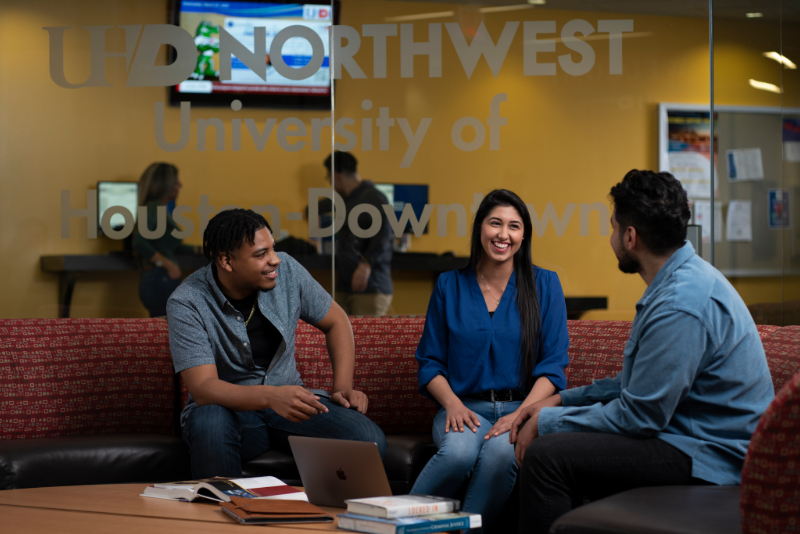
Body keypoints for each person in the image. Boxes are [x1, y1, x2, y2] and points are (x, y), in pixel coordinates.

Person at [509, 170, 775, 534]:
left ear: (630, 237)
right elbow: (635, 385)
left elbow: (640, 415)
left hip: (712, 454)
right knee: (561, 444)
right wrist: (559, 402)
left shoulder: (682, 304)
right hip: (686, 435)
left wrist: (546, 422)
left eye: (613, 227)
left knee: (546, 457)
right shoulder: (679, 282)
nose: (611, 237)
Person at [167, 208, 387, 479]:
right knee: (208, 420)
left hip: (290, 405)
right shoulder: (188, 301)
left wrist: (342, 387)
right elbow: (203, 389)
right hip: (232, 414)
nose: (275, 261)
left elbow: (337, 321)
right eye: (261, 254)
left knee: (367, 438)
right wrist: (273, 396)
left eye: (273, 249)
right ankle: (218, 516)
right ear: (226, 260)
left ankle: (326, 517)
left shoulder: (288, 271)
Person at [410, 189, 569, 530]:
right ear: (480, 228)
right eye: (495, 223)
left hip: (521, 410)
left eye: (513, 226)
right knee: (457, 454)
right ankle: (394, 525)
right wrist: (452, 404)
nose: (503, 234)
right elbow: (430, 362)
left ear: (523, 235)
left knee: (500, 455)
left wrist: (522, 416)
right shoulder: (448, 285)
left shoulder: (545, 284)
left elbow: (553, 365)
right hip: (465, 407)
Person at [323, 151, 394, 316]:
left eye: (329, 177)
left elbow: (385, 239)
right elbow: (323, 204)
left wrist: (366, 265)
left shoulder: (374, 198)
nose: (330, 183)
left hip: (370, 286)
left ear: (337, 176)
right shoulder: (346, 199)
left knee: (365, 341)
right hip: (345, 286)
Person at [132, 162, 196, 317]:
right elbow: (139, 242)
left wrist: (201, 250)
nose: (179, 185)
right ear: (165, 185)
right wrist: (166, 264)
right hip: (159, 280)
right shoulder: (155, 208)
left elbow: (170, 245)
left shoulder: (158, 208)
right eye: (175, 181)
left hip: (159, 280)